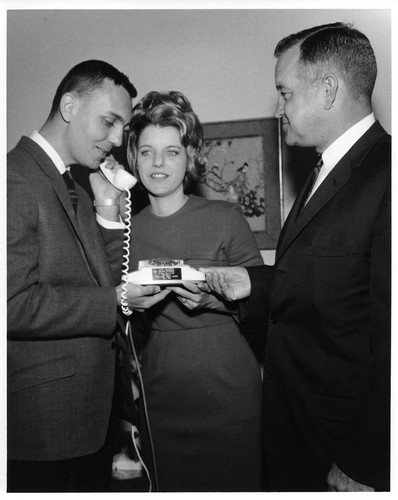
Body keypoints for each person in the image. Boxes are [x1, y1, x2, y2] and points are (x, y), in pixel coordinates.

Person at [202, 22, 391, 492]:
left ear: (328, 90)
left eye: (284, 94)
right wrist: (254, 284)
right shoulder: (321, 171)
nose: (279, 109)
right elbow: (335, 286)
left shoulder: (386, 176)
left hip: (344, 451)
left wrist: (364, 465)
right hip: (297, 436)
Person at [7, 60, 170, 492]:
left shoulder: (71, 185)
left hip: (85, 420)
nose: (118, 139)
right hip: (45, 427)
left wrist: (109, 209)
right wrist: (116, 300)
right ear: (68, 106)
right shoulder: (14, 179)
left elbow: (95, 278)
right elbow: (11, 304)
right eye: (110, 121)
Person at [126, 90, 264, 492]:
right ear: (133, 156)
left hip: (227, 386)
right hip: (160, 388)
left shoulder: (225, 218)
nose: (158, 163)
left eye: (171, 152)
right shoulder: (126, 233)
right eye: (147, 151)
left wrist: (213, 298)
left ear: (190, 156)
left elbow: (264, 301)